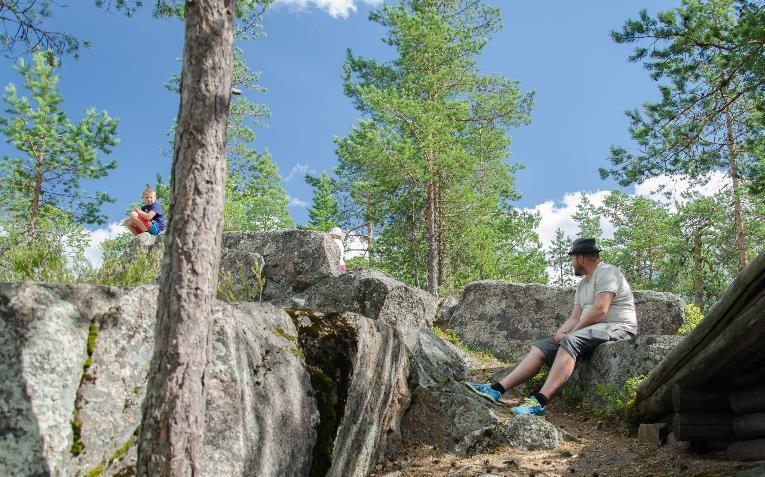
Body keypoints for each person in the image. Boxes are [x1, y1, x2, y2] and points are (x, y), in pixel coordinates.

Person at [465, 238, 638, 416]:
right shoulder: (583, 284)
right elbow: (575, 317)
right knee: (541, 348)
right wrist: (561, 332)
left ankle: (539, 402)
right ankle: (496, 389)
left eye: (572, 259)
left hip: (619, 327)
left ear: (579, 257)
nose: (572, 264)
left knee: (570, 341)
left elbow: (600, 309)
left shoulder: (607, 272)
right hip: (593, 329)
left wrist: (570, 333)